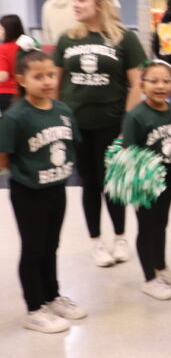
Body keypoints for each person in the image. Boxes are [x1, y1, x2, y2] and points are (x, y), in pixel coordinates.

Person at [54, 0, 147, 268]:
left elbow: (137, 83)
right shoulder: (68, 39)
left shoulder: (124, 38)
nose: (76, 6)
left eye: (81, 0)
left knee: (113, 184)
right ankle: (96, 242)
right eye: (74, 1)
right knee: (89, 185)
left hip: (111, 124)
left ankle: (120, 238)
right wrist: (59, 120)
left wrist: (126, 122)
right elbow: (56, 83)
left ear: (99, 4)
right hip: (78, 125)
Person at [0, 50, 87, 333]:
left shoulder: (62, 111)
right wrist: (26, 175)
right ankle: (34, 308)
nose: (47, 81)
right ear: (22, 80)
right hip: (29, 193)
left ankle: (52, 295)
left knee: (51, 246)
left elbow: (73, 143)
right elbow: (4, 157)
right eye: (38, 76)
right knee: (33, 249)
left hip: (56, 189)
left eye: (50, 74)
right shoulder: (15, 117)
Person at [122, 60, 171, 300]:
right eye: (154, 81)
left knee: (161, 223)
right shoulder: (136, 116)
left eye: (166, 81)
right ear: (142, 84)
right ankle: (149, 278)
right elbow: (128, 151)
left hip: (166, 179)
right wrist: (139, 181)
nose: (160, 86)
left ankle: (161, 267)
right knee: (147, 227)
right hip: (144, 182)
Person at [0, 14, 25, 112]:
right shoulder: (25, 47)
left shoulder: (2, 49)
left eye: (1, 29)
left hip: (6, 94)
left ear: (9, 31)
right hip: (24, 91)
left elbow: (3, 76)